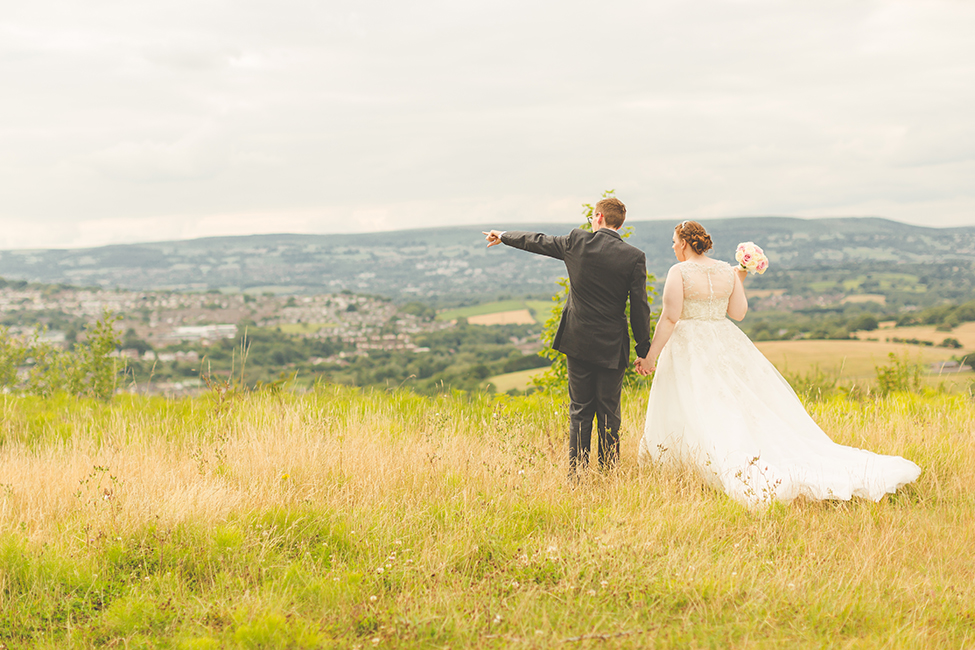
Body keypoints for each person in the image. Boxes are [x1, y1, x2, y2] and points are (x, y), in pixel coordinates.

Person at [635, 221, 920, 508]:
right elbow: (738, 313)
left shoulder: (679, 272)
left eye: (674, 241)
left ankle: (697, 462)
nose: (672, 246)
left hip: (690, 345)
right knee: (732, 401)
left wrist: (650, 357)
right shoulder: (727, 271)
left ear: (684, 243)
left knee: (697, 402)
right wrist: (740, 280)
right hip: (723, 340)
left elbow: (670, 318)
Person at [484, 197, 652, 473]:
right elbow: (639, 307)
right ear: (619, 224)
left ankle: (577, 473)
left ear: (598, 217)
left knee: (580, 409)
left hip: (578, 340)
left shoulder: (577, 242)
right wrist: (643, 349)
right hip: (612, 345)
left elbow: (536, 240)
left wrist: (503, 236)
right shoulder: (634, 257)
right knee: (609, 412)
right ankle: (609, 471)